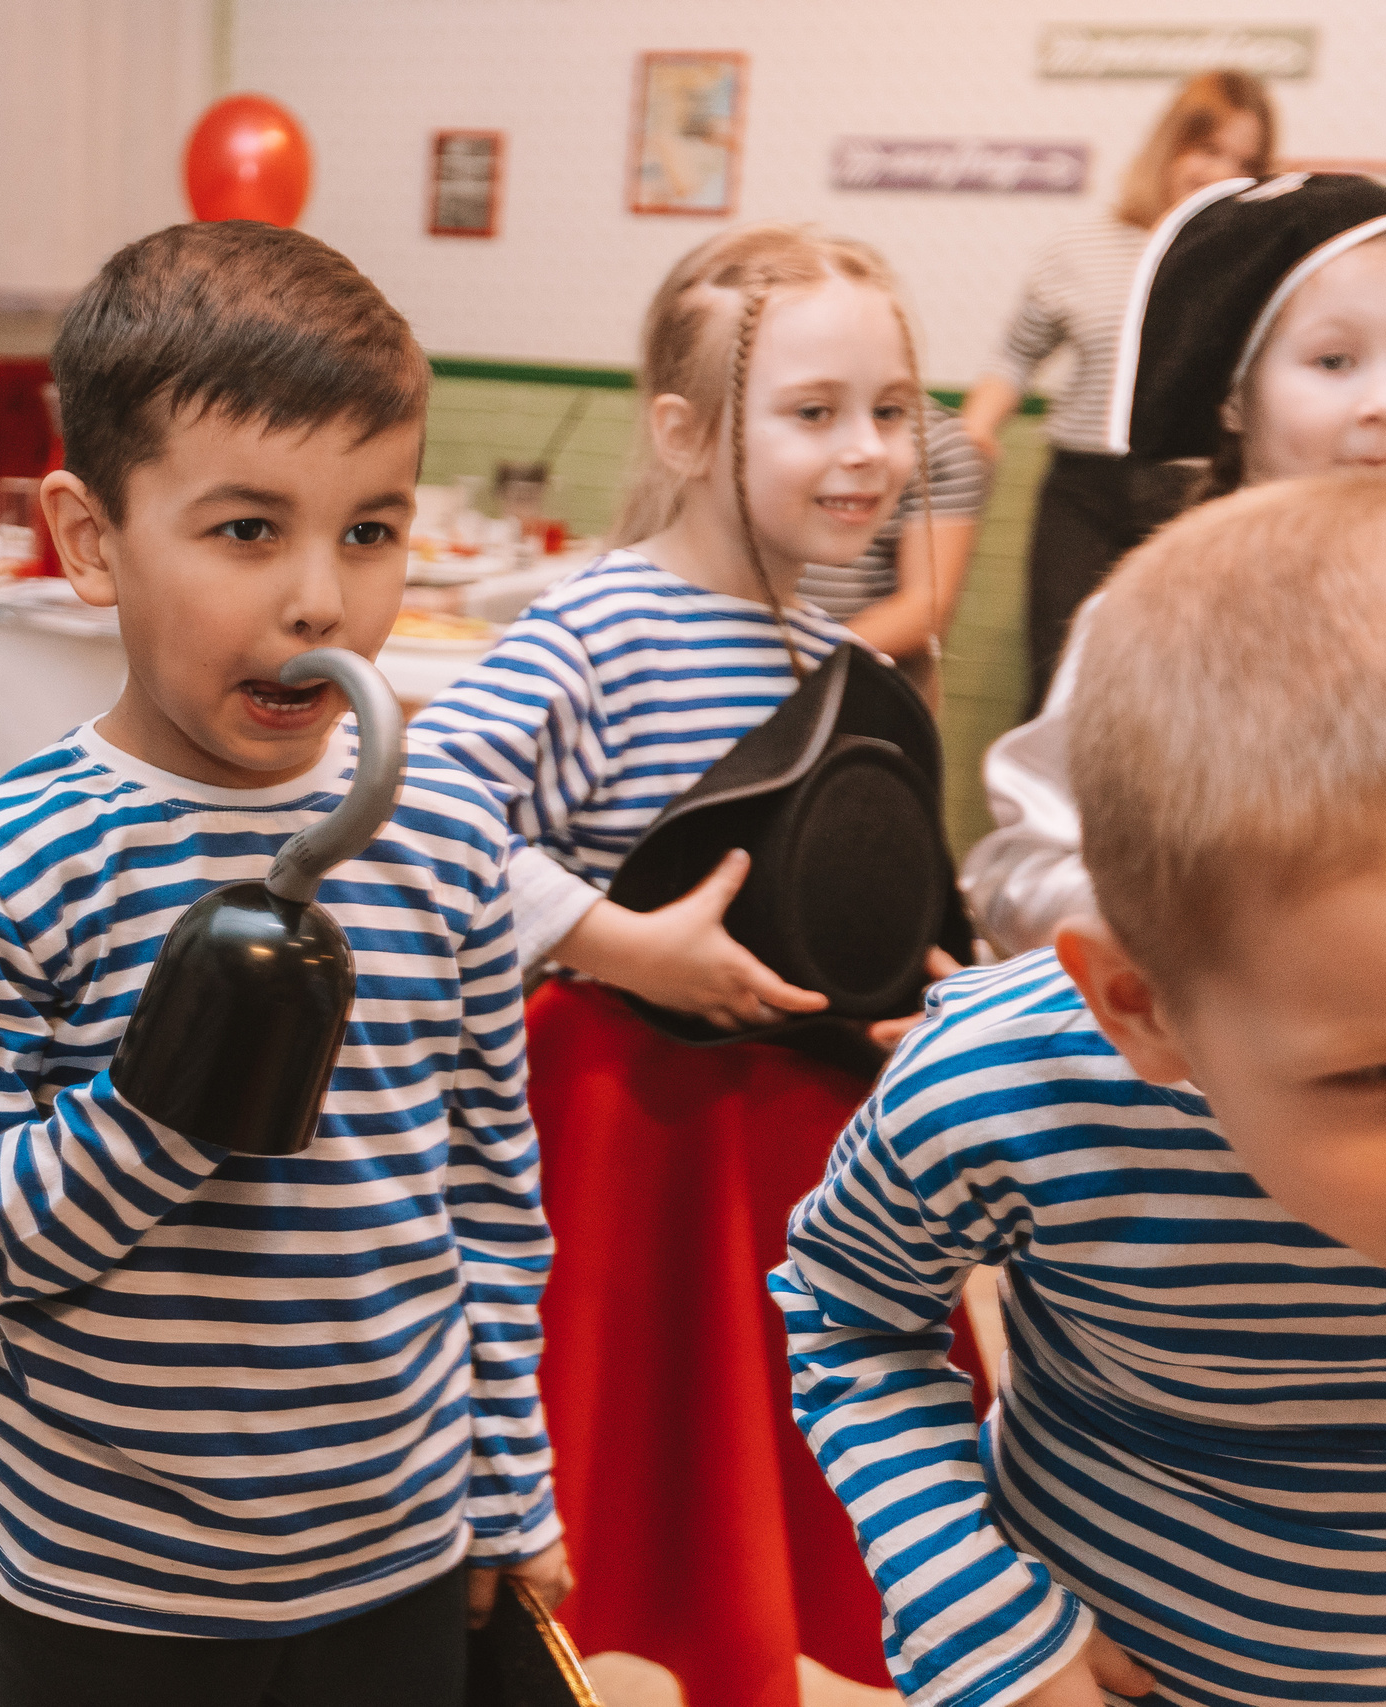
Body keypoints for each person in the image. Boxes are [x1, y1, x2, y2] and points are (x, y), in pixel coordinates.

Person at [776, 472, 1386, 1707]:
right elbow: (846, 1312)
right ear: (1142, 1009)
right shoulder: (1003, 1089)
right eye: (1385, 1071)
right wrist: (986, 1621)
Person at [0, 220, 566, 1707]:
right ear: (90, 541)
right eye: (249, 530)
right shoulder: (20, 860)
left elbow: (490, 1188)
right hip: (105, 1586)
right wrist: (158, 1109)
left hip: (394, 1553)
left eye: (369, 530)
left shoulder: (447, 835)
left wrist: (506, 1484)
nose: (320, 599)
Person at [409, 222, 971, 1706]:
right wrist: (616, 941)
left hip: (784, 1149)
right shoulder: (598, 630)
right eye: (813, 411)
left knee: (754, 1491)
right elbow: (418, 813)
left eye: (891, 409)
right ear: (682, 431)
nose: (867, 451)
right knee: (623, 1471)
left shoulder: (831, 649)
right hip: (630, 1140)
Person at [961, 172, 1386, 958]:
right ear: (1233, 397)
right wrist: (1232, 935)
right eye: (1334, 360)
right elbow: (1022, 874)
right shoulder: (1154, 618)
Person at [958, 70, 1276, 715]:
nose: (1222, 173)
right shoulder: (1080, 250)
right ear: (1170, 147)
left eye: (1245, 162)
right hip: (1081, 491)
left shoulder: (1257, 261)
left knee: (1172, 694)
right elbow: (1015, 356)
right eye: (1208, 150)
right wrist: (975, 429)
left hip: (1194, 495)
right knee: (1058, 684)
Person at [797, 399, 986, 705]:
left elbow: (924, 610)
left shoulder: (939, 441)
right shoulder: (766, 426)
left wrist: (799, 667)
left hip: (861, 682)